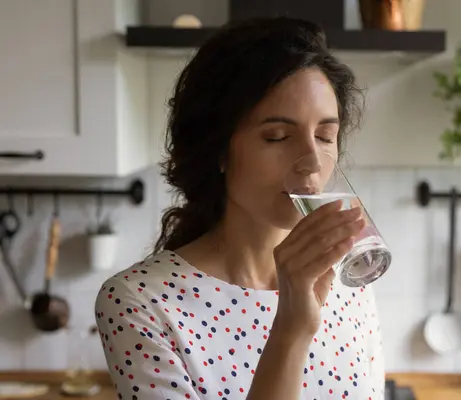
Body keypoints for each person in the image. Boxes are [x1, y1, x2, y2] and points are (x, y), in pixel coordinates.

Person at [95, 16, 385, 400]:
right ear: (218, 149)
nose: (312, 162)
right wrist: (291, 329)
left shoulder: (349, 285)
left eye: (324, 136)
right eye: (278, 136)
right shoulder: (140, 303)